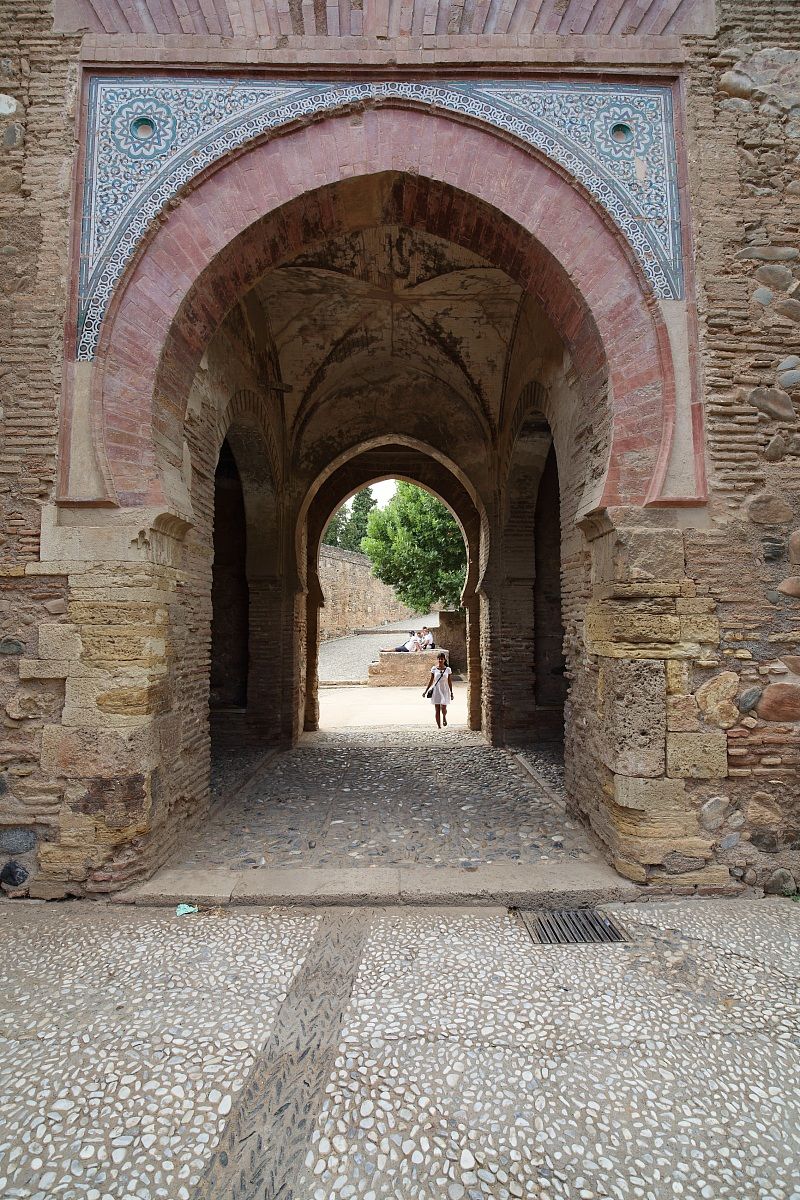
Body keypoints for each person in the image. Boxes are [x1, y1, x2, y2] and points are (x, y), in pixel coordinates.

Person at [422, 651, 454, 728]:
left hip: (444, 690)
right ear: (437, 659)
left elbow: (449, 681)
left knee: (443, 707)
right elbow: (431, 680)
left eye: (442, 659)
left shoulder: (448, 670)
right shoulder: (434, 669)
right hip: (436, 690)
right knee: (437, 708)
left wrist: (451, 692)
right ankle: (439, 726)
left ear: (444, 660)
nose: (440, 660)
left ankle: (444, 717)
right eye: (439, 659)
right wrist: (426, 691)